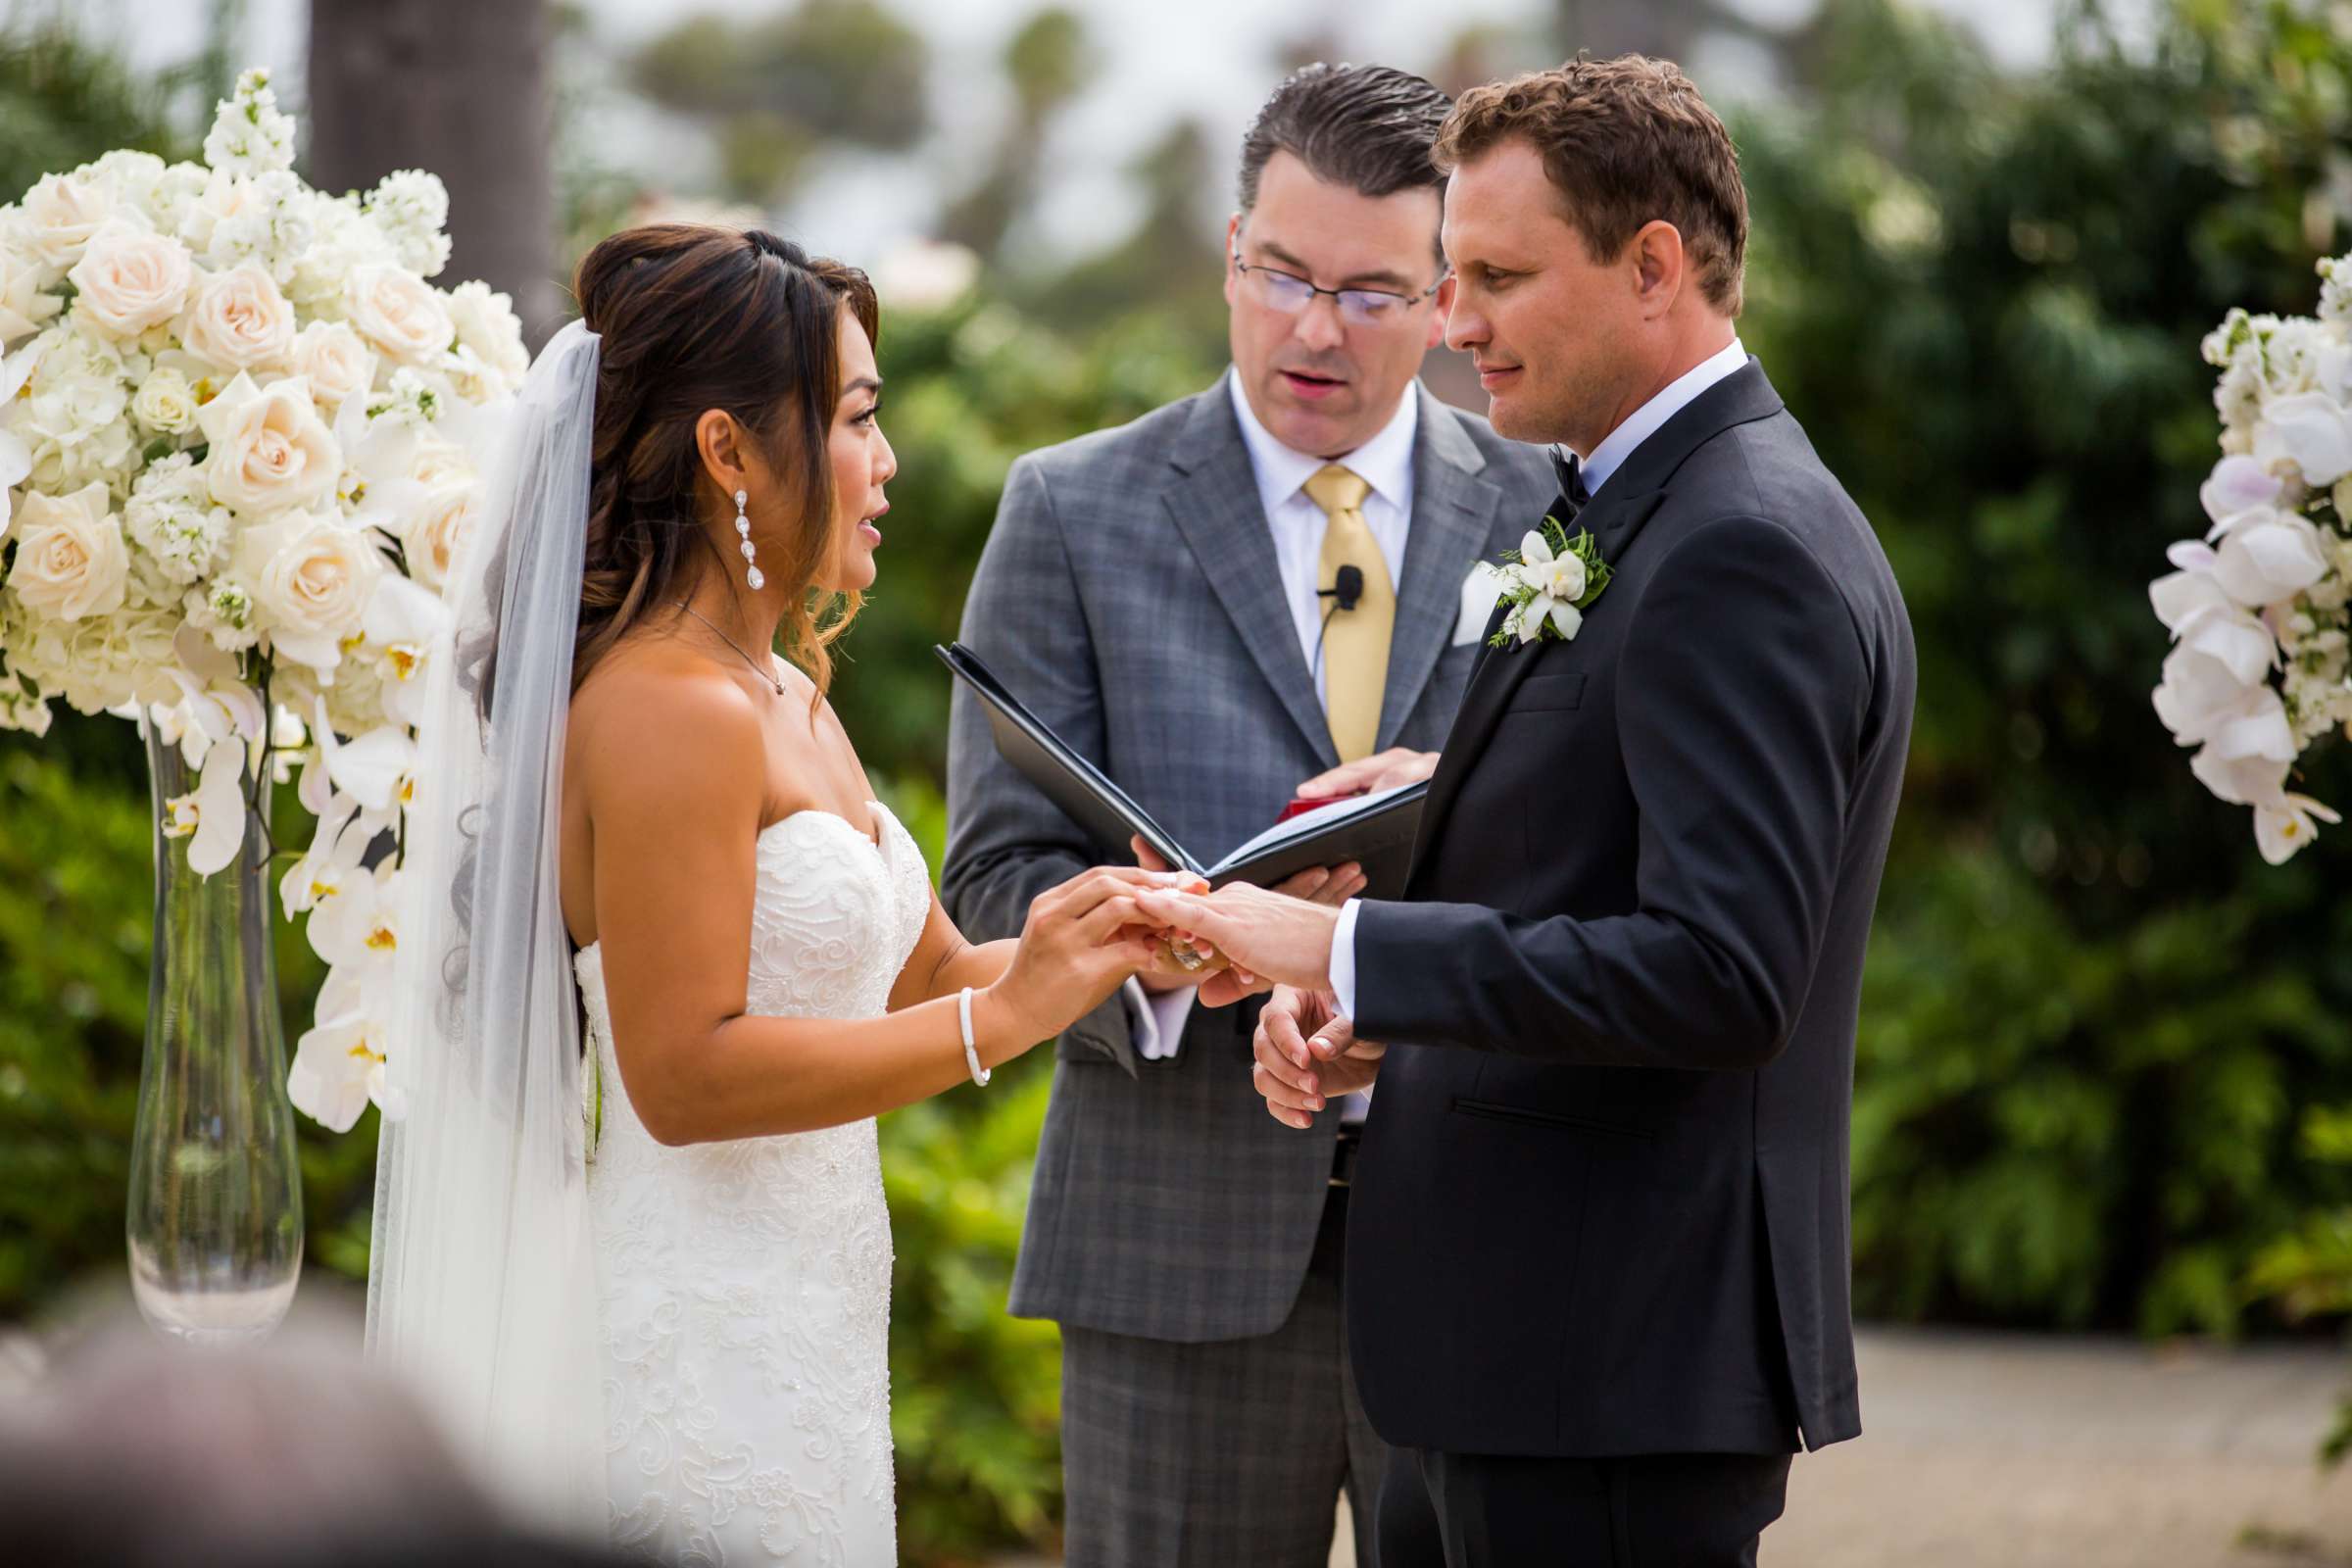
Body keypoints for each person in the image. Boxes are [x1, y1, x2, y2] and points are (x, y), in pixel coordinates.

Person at [1134, 56, 1918, 1567]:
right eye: (1450, 277)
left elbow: (1721, 972)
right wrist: (1386, 1000)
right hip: (1518, 1368)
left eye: (1494, 275)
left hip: (1608, 1376)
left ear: (1654, 266)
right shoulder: (1637, 506)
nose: (1453, 322)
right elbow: (1588, 859)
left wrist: (1336, 957)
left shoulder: (1735, 544)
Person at [368, 223, 1184, 1564]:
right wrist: (1010, 1020)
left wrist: (1102, 940)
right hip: (694, 1348)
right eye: (857, 418)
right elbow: (682, 1076)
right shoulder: (665, 708)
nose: (889, 461)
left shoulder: (787, 692)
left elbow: (922, 978)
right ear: (728, 450)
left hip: (810, 1336)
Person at [942, 65, 1555, 1567]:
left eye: (1369, 291)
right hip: (1173, 1245)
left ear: (1444, 298)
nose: (1313, 328)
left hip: (1498, 1233)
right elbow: (989, 878)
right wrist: (1143, 950)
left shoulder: (1559, 516)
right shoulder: (1071, 510)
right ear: (1231, 252)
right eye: (1282, 274)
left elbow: (1605, 859)